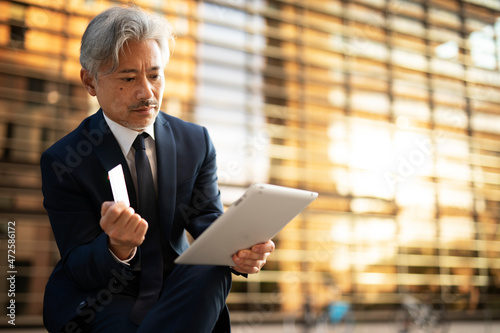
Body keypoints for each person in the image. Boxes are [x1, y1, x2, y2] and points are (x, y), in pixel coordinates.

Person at [40, 6, 274, 333]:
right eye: (128, 78)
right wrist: (117, 247)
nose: (147, 93)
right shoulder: (64, 159)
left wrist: (240, 248)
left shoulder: (196, 141)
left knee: (213, 266)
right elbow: (78, 264)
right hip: (103, 297)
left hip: (176, 291)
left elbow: (209, 221)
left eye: (154, 74)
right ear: (90, 81)